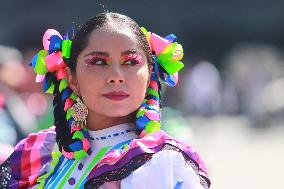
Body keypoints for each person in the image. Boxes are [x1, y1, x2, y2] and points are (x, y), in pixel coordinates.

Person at [0, 12, 211, 189]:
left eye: (131, 61)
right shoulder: (44, 151)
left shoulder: (161, 165)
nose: (116, 75)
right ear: (72, 78)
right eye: (99, 61)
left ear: (149, 75)